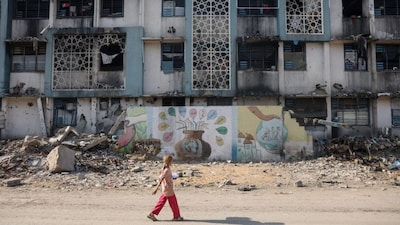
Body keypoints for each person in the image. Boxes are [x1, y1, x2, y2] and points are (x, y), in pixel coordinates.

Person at [147, 155, 183, 221]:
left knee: (162, 202)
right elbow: (161, 179)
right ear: (169, 162)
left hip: (165, 189)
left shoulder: (164, 169)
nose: (172, 162)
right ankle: (176, 216)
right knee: (173, 203)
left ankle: (152, 214)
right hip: (168, 189)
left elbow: (162, 176)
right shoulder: (166, 170)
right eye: (172, 161)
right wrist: (156, 188)